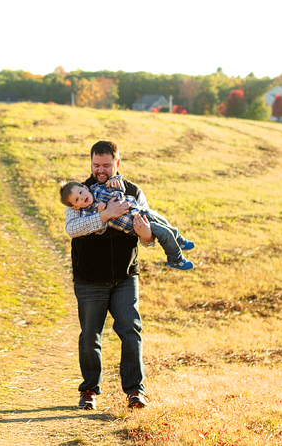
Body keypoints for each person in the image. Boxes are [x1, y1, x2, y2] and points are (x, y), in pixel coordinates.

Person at [64, 140, 151, 411]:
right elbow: (72, 228)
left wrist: (146, 235)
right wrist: (106, 215)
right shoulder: (78, 193)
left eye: (105, 165)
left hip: (125, 276)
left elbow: (149, 233)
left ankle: (135, 391)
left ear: (117, 163)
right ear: (90, 163)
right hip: (89, 279)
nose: (100, 170)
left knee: (130, 330)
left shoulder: (134, 191)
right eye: (95, 165)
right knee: (91, 335)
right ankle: (89, 390)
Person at [60, 177, 195, 270]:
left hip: (139, 211)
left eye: (81, 192)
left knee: (163, 220)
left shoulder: (98, 188)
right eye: (77, 199)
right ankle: (175, 260)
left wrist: (116, 182)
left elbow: (120, 190)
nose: (82, 197)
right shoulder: (86, 213)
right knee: (163, 232)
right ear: (75, 207)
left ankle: (179, 240)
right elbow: (100, 230)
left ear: (85, 187)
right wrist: (101, 214)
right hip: (134, 224)